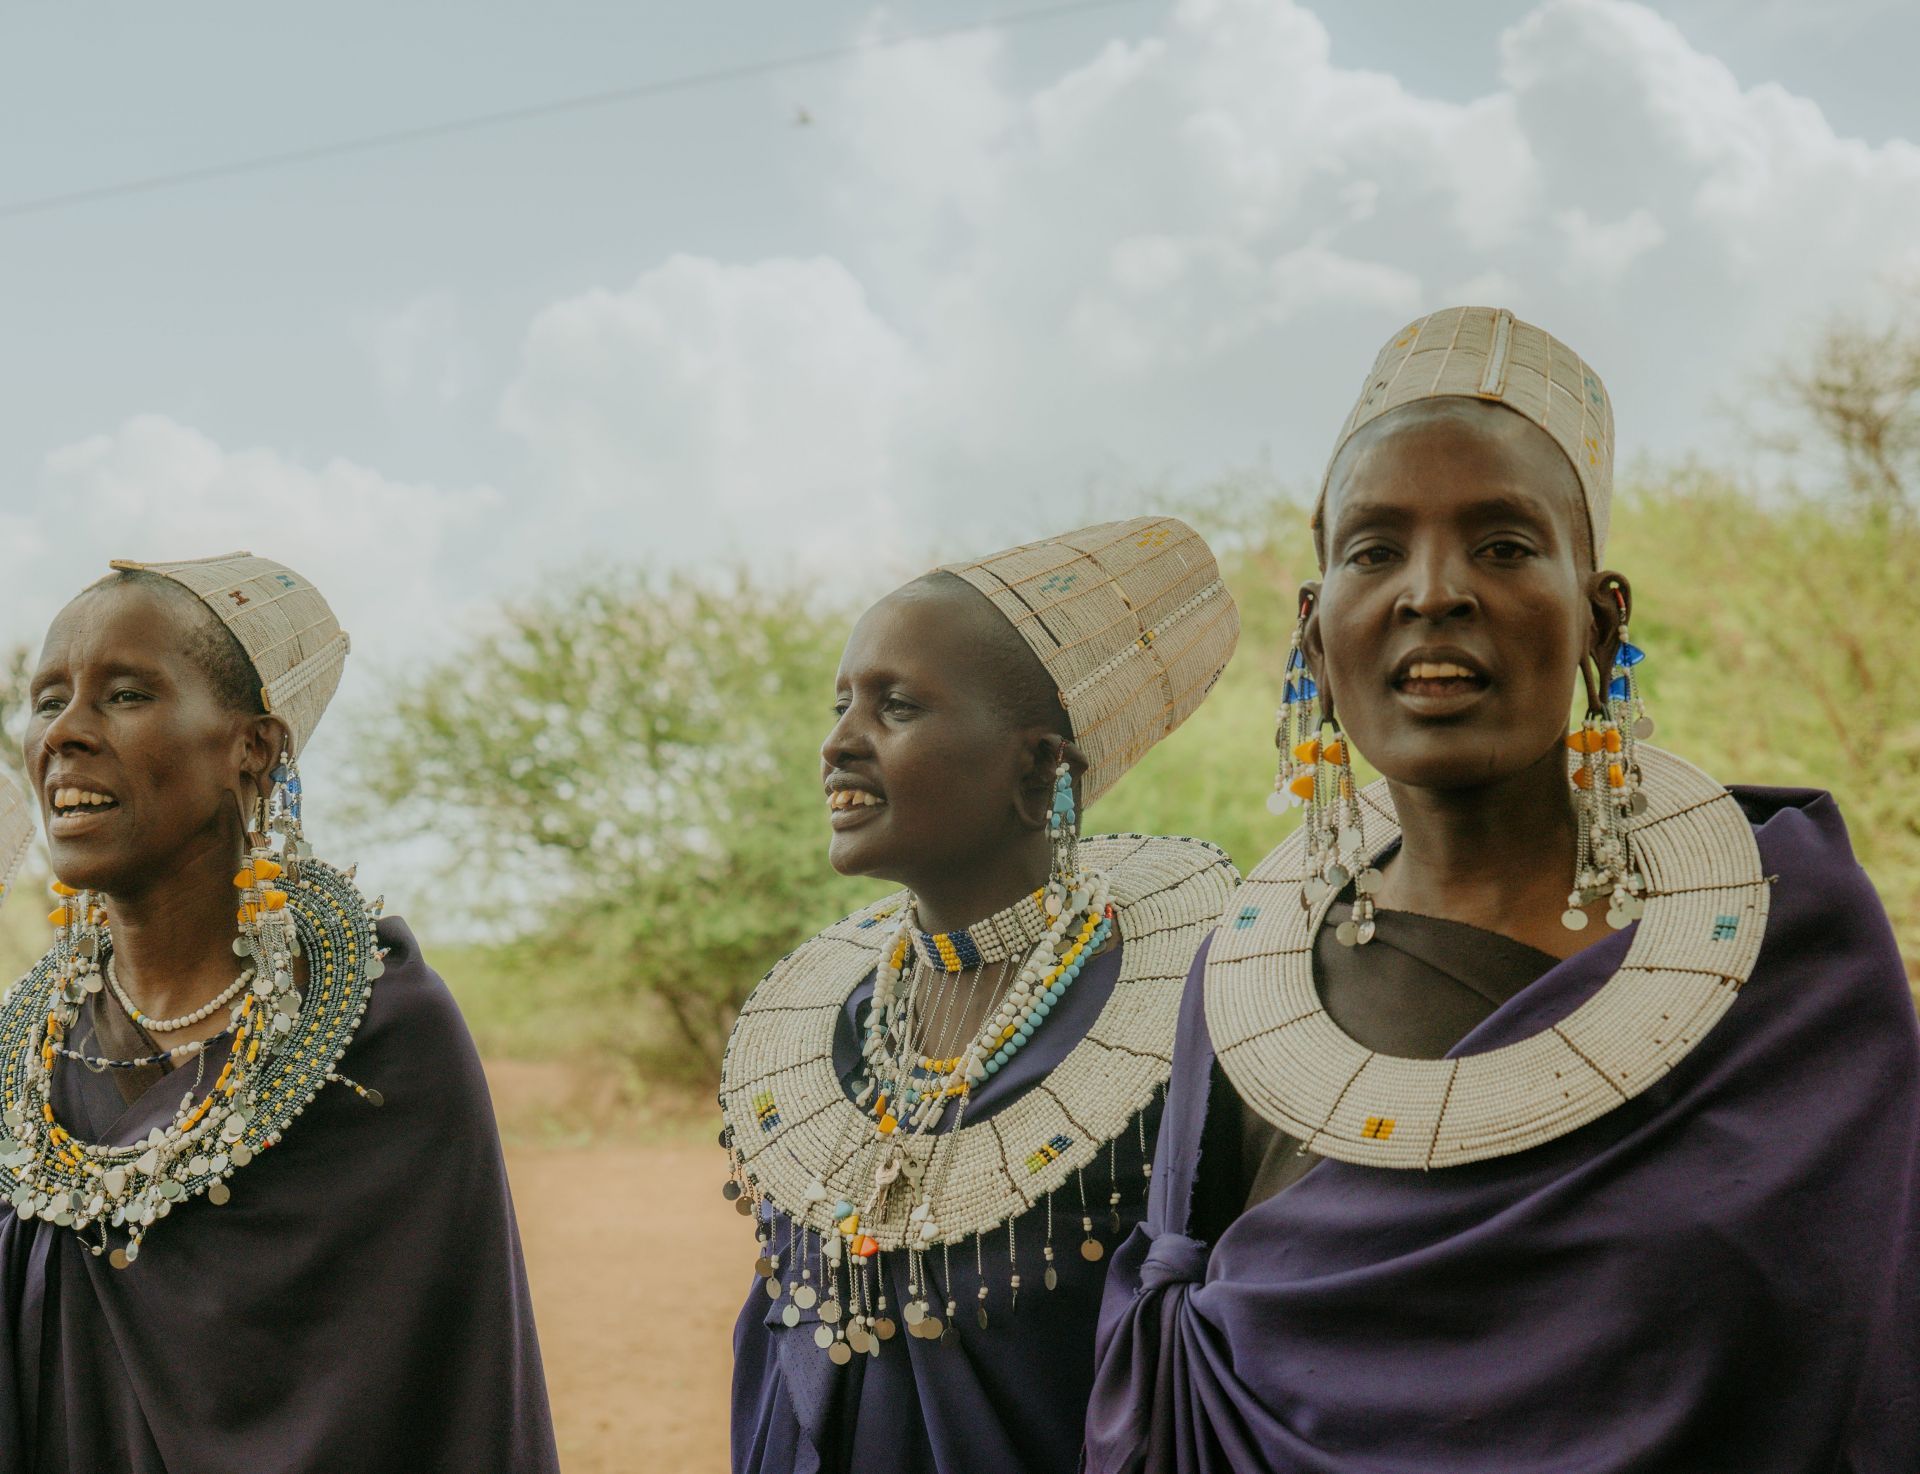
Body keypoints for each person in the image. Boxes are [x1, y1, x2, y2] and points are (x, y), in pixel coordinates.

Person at [1086, 307, 1920, 1473]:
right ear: (1316, 638)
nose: (1434, 591)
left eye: (1504, 545)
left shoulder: (1790, 954)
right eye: (1374, 549)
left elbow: (1857, 1359)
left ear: (1600, 618)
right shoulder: (1245, 982)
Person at [0, 553, 559, 1473]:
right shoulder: (31, 1061)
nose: (65, 732)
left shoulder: (381, 1032)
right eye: (48, 698)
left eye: (126, 694)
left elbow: (435, 1406)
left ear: (254, 746)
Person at [722, 518, 1242, 1474]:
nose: (839, 742)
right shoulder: (845, 1038)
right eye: (842, 702)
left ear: (1042, 768)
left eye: (897, 707)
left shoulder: (1167, 1017)